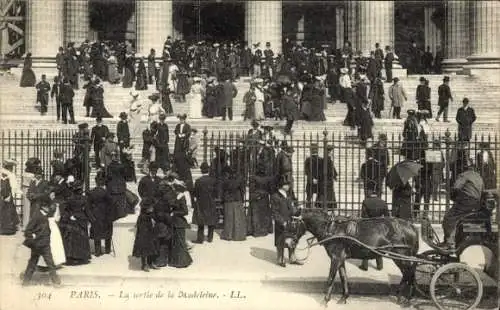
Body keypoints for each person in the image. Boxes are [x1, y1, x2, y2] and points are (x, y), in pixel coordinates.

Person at [442, 160, 484, 250]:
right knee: (461, 220)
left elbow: (456, 187)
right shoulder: (479, 177)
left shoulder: (464, 175)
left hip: (465, 201)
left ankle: (449, 243)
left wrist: (453, 196)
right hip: (476, 204)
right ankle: (454, 240)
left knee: (449, 218)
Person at [21, 202, 61, 287]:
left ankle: (56, 282)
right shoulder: (36, 216)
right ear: (43, 207)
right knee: (33, 263)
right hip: (37, 245)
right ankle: (25, 282)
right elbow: (28, 231)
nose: (49, 208)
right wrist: (33, 237)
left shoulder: (45, 215)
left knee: (50, 263)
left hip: (45, 244)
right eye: (47, 206)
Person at [271, 178, 302, 267]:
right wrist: (282, 221)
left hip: (289, 221)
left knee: (291, 240)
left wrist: (297, 213)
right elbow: (274, 212)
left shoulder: (288, 195)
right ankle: (280, 259)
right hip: (281, 223)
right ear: (282, 186)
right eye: (287, 185)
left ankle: (292, 258)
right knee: (280, 241)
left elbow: (291, 209)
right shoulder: (275, 196)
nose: (288, 186)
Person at [59, 182, 91, 265]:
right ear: (80, 190)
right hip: (81, 219)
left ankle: (71, 257)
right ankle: (81, 257)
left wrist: (70, 215)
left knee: (71, 239)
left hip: (72, 219)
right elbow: (87, 210)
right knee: (81, 238)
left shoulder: (69, 198)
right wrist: (92, 220)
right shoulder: (84, 199)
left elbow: (64, 209)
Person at [358, 189, 388, 271]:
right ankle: (379, 265)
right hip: (379, 227)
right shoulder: (383, 202)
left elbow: (363, 216)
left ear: (369, 193)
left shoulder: (365, 202)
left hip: (369, 226)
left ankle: (365, 265)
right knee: (378, 245)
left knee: (366, 245)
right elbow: (387, 217)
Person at [87, 174, 113, 257]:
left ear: (96, 182)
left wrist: (91, 217)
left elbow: (88, 206)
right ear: (103, 182)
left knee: (96, 232)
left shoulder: (92, 192)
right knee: (107, 232)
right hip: (105, 214)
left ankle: (97, 251)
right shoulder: (106, 192)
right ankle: (107, 249)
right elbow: (111, 204)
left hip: (95, 214)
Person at [168, 182, 193, 268]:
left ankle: (182, 261)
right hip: (176, 222)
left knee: (180, 242)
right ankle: (179, 261)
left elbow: (185, 211)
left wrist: (174, 213)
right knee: (177, 242)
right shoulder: (177, 197)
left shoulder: (181, 198)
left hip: (179, 223)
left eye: (175, 189)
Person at [192, 162, 217, 243]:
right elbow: (216, 192)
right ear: (208, 170)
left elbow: (195, 193)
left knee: (200, 220)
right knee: (211, 219)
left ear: (201, 170)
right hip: (211, 201)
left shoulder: (198, 181)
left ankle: (200, 239)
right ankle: (210, 238)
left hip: (201, 202)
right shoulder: (213, 180)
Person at [132, 197, 160, 272]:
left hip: (151, 233)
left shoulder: (151, 215)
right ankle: (144, 265)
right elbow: (140, 228)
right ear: (146, 208)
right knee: (144, 249)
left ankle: (151, 263)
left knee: (153, 247)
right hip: (144, 235)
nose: (152, 208)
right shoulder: (142, 217)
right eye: (150, 207)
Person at [37, 197, 66, 268]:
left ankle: (43, 263)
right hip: (53, 225)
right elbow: (57, 218)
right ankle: (55, 261)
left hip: (45, 225)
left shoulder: (43, 206)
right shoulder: (56, 206)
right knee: (55, 243)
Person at [221, 166, 247, 241]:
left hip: (228, 200)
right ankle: (238, 235)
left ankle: (228, 234)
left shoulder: (225, 179)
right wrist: (242, 197)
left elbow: (223, 189)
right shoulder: (239, 179)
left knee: (229, 218)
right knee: (238, 218)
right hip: (237, 199)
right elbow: (242, 190)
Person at [0, 159, 21, 235]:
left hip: (2, 193)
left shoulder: (1, 172)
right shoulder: (11, 175)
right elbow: (14, 186)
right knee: (8, 211)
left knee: (3, 210)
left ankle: (3, 227)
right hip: (8, 194)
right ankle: (8, 228)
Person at [106, 151, 128, 219]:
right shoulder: (121, 166)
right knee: (121, 200)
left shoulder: (109, 166)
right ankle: (121, 213)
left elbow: (109, 176)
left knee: (113, 200)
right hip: (121, 185)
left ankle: (114, 213)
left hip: (112, 186)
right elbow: (125, 175)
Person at [318, 145, 338, 209]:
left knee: (323, 194)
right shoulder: (328, 160)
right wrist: (334, 175)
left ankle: (322, 206)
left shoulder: (323, 160)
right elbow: (331, 170)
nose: (332, 153)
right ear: (329, 152)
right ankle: (328, 207)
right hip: (328, 180)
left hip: (323, 180)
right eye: (331, 151)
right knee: (328, 194)